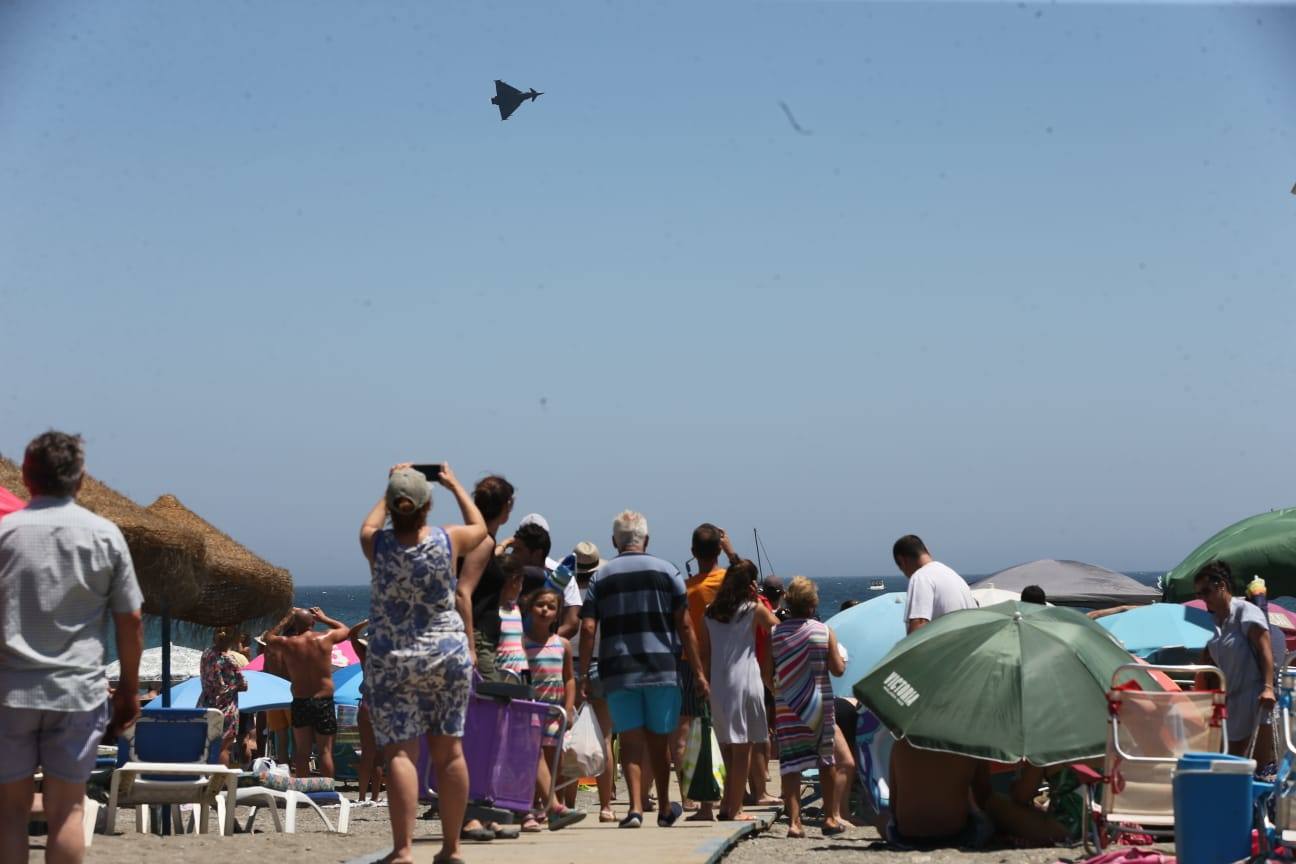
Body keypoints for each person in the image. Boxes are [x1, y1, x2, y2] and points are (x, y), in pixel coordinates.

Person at [0, 431, 144, 864]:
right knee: (68, 811)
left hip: (10, 691)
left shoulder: (5, 533)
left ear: (26, 476)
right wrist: (129, 690)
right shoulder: (104, 535)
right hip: (76, 690)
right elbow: (131, 619)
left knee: (9, 813)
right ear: (80, 480)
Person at [361, 462, 487, 864]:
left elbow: (367, 527)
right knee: (449, 752)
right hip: (446, 656)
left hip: (392, 660)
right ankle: (451, 848)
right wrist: (452, 484)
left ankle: (403, 850)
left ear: (393, 506)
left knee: (400, 754)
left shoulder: (378, 546)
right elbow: (481, 527)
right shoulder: (447, 540)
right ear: (427, 505)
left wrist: (391, 489)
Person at [579, 510, 709, 829]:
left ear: (614, 541)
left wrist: (584, 673)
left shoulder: (601, 577)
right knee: (659, 741)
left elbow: (587, 628)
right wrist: (700, 672)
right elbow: (686, 625)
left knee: (631, 742)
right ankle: (664, 806)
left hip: (618, 670)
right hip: (662, 668)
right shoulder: (668, 571)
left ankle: (635, 807)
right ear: (646, 540)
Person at [698, 559, 779, 822]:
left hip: (718, 684)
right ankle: (735, 809)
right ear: (750, 584)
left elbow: (706, 656)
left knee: (727, 749)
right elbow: (778, 628)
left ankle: (726, 804)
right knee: (743, 748)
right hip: (745, 681)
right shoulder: (753, 609)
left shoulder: (709, 612)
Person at [673, 523, 741, 820]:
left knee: (686, 730)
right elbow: (751, 582)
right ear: (718, 550)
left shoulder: (687, 588)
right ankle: (728, 795)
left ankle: (692, 797)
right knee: (725, 731)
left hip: (691, 662)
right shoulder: (730, 582)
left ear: (692, 552)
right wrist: (731, 552)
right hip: (725, 663)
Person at [770, 576, 846, 838]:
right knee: (826, 762)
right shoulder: (823, 632)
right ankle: (829, 817)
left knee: (790, 765)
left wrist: (779, 693)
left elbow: (768, 671)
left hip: (787, 707)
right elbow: (837, 670)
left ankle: (794, 823)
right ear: (813, 605)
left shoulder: (775, 633)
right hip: (819, 706)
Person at [1193, 560, 1276, 765]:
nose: (1203, 598)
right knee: (1228, 764)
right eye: (1198, 594)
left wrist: (1268, 688)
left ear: (1221, 585)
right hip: (1229, 702)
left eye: (1206, 591)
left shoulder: (1245, 612)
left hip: (1254, 697)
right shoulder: (1216, 621)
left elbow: (1266, 650)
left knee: (1254, 765)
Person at [519, 587, 585, 831]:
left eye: (551, 606)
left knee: (553, 762)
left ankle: (543, 805)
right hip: (530, 712)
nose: (545, 610)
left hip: (555, 712)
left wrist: (568, 707)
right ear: (530, 609)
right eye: (540, 605)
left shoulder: (563, 645)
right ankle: (533, 806)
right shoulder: (523, 645)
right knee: (531, 762)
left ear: (557, 614)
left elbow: (569, 678)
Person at [262, 605, 350, 778]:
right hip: (323, 700)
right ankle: (327, 793)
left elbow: (268, 637)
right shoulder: (324, 638)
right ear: (313, 624)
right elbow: (345, 630)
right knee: (325, 751)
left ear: (295, 626)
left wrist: (285, 619)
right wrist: (324, 618)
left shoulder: (288, 643)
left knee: (302, 752)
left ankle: (304, 791)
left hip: (301, 701)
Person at [569, 541, 617, 821]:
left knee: (570, 737)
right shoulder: (603, 596)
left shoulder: (569, 594)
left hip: (572, 665)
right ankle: (606, 806)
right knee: (606, 738)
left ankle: (570, 802)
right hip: (602, 663)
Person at [456, 474, 515, 679]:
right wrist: (471, 646)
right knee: (490, 702)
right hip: (478, 636)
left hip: (481, 636)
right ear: (506, 507)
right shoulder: (483, 542)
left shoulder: (479, 539)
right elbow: (463, 592)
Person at [892, 535, 974, 633]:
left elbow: (918, 626)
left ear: (902, 561)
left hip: (946, 646)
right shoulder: (954, 576)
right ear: (927, 550)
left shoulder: (920, 577)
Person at [346, 619, 384, 806]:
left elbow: (352, 635)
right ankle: (375, 797)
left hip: (368, 706)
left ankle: (362, 796)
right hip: (386, 708)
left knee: (367, 753)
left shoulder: (366, 658)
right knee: (379, 757)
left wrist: (367, 621)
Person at [199, 627, 248, 766]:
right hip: (226, 708)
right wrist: (239, 686)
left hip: (206, 704)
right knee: (223, 749)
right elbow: (242, 684)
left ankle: (207, 781)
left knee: (208, 746)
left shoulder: (206, 654)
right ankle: (219, 785)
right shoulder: (228, 659)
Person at [494, 555, 527, 680]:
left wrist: (527, 681)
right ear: (514, 581)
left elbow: (522, 648)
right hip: (501, 677)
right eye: (521, 582)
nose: (521, 588)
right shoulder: (493, 612)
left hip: (520, 675)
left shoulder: (516, 610)